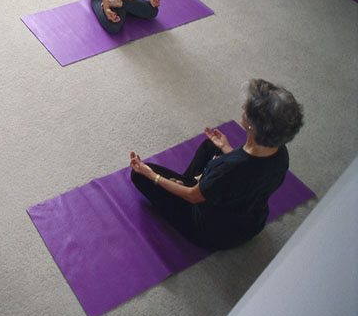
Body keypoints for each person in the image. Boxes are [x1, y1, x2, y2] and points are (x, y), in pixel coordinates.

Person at [129, 79, 304, 250]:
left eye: (246, 107)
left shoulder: (229, 168)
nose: (243, 107)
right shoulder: (281, 154)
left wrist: (153, 176)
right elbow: (249, 176)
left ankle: (185, 181)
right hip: (251, 223)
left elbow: (192, 196)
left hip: (210, 232)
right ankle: (190, 181)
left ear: (251, 126)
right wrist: (227, 150)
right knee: (211, 146)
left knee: (139, 175)